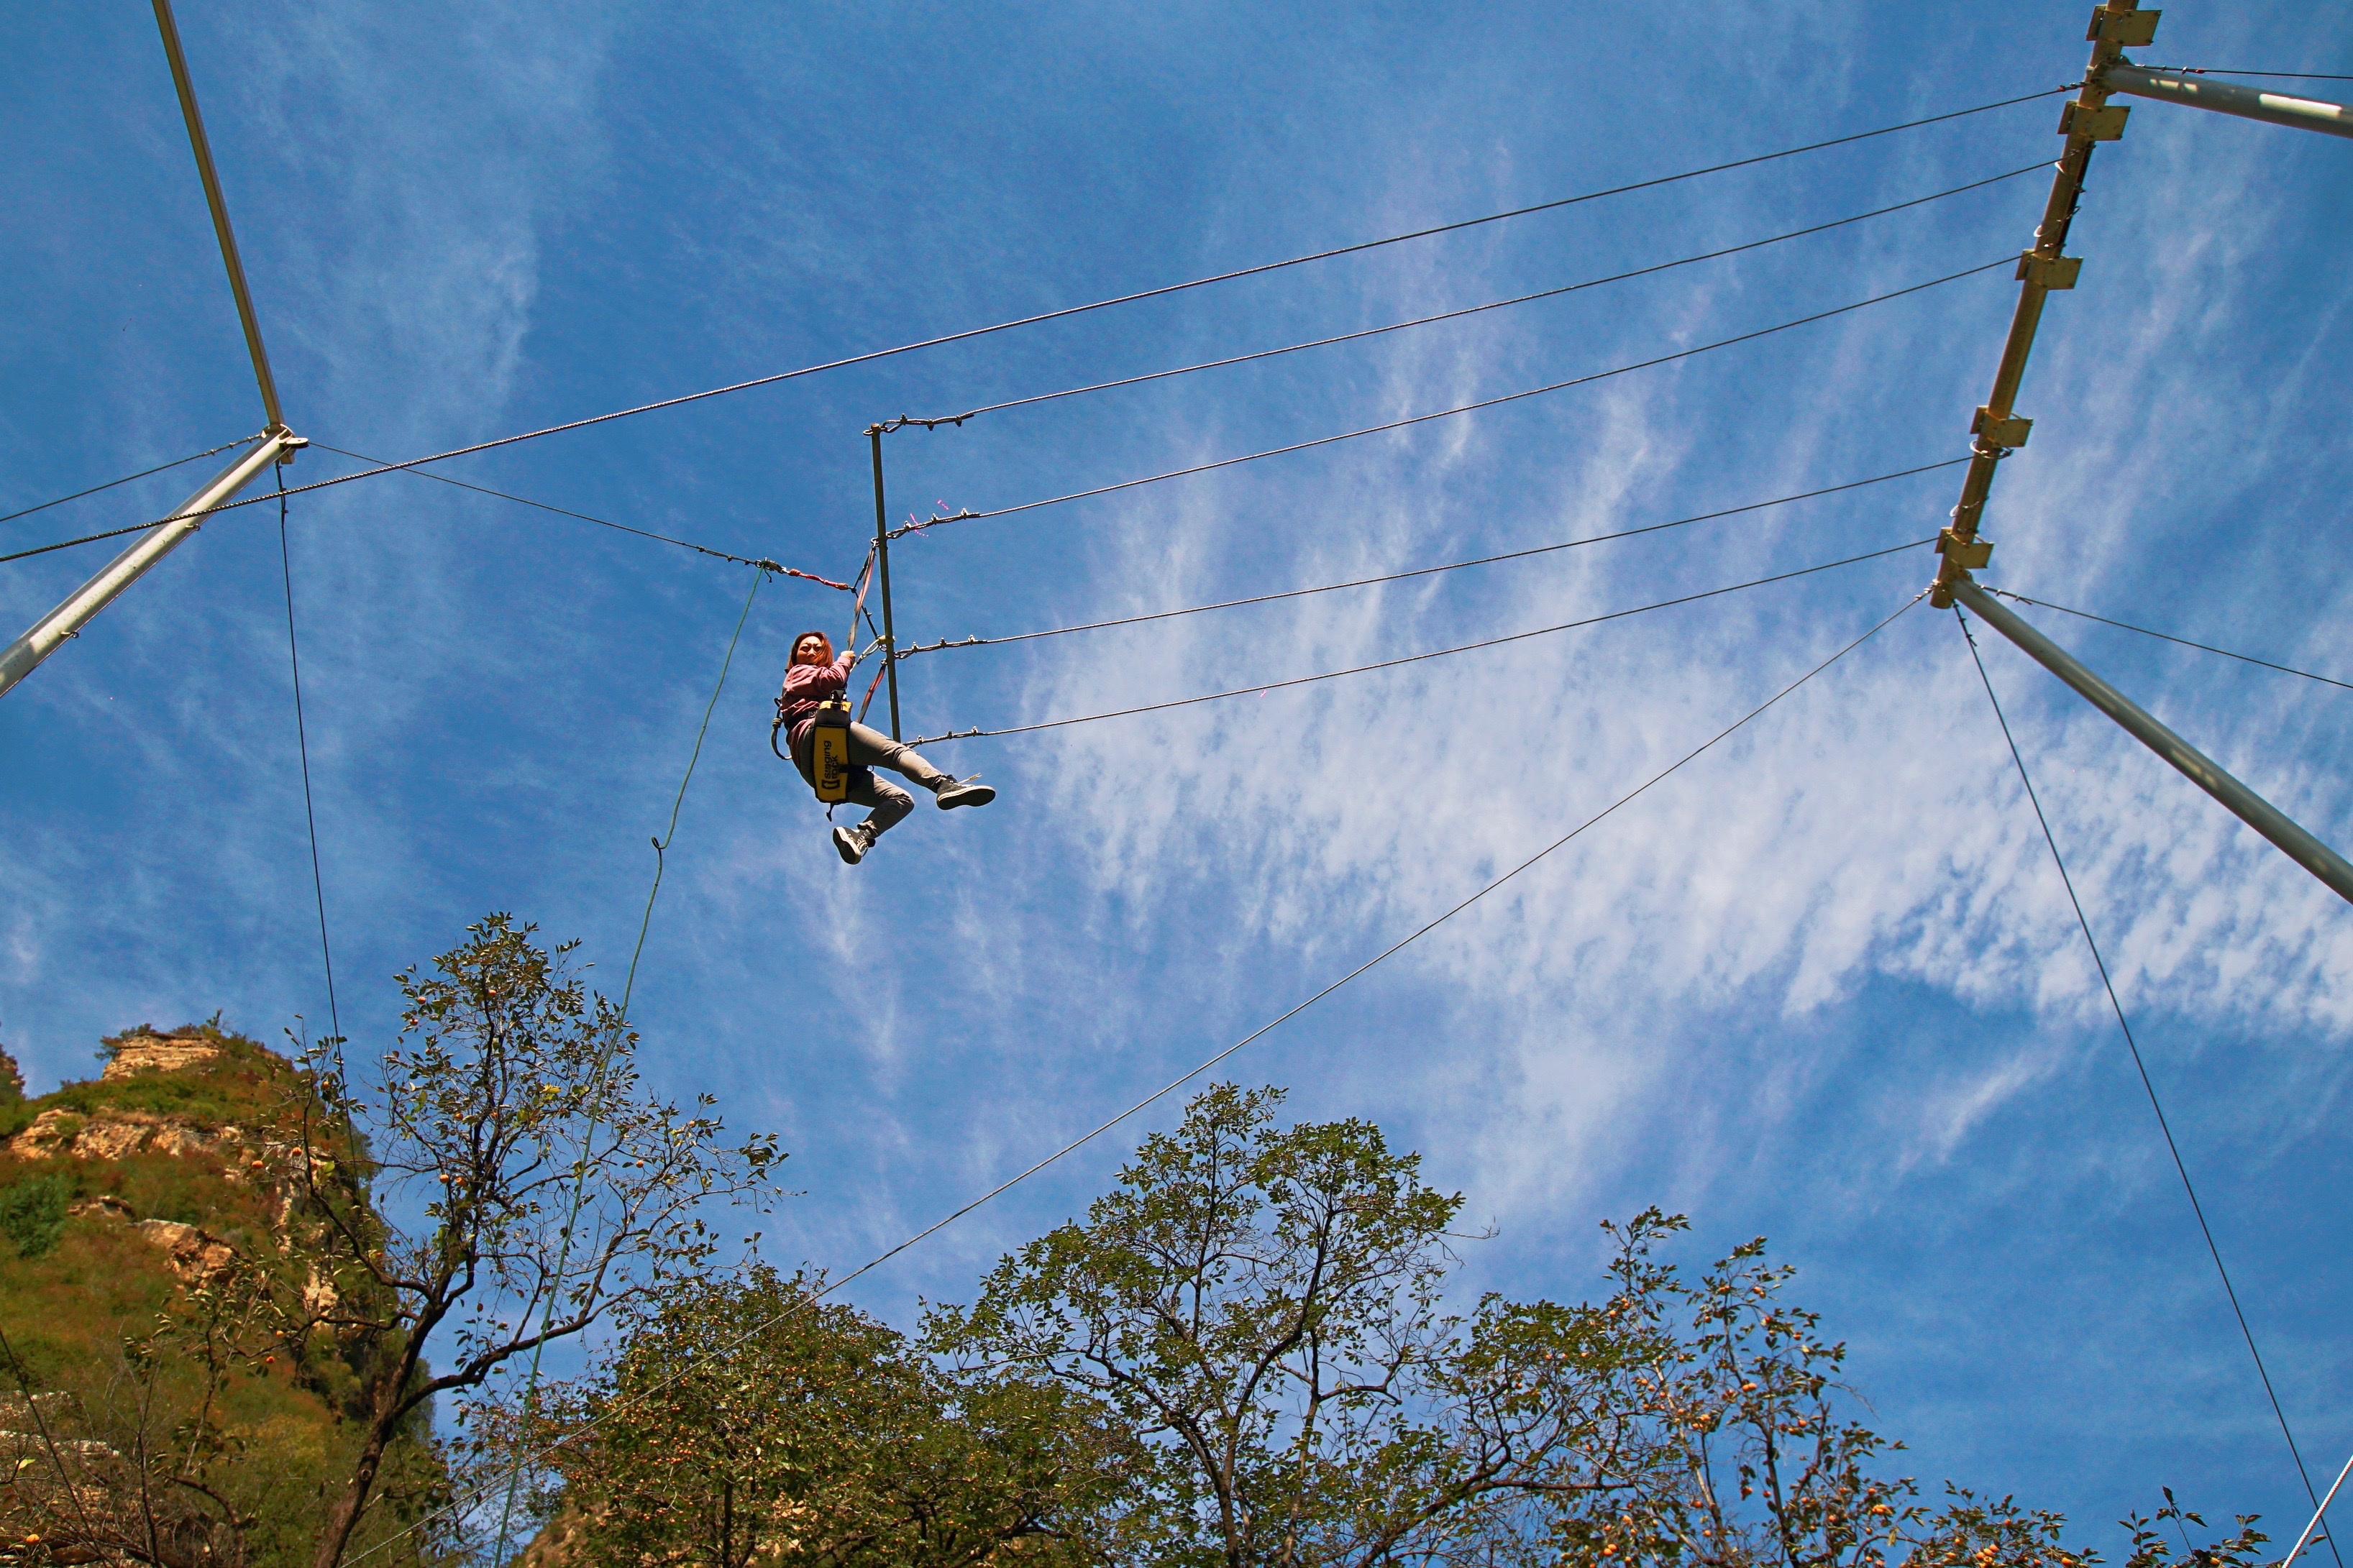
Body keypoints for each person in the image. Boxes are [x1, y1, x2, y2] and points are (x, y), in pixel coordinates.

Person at [775, 630, 995, 863]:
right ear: (796, 655)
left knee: (901, 800)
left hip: (819, 769)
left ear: (823, 654)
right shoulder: (799, 672)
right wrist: (845, 660)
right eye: (805, 648)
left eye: (817, 648)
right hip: (817, 732)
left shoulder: (808, 681)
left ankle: (862, 836)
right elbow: (833, 679)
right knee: (896, 753)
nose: (810, 652)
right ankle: (943, 785)